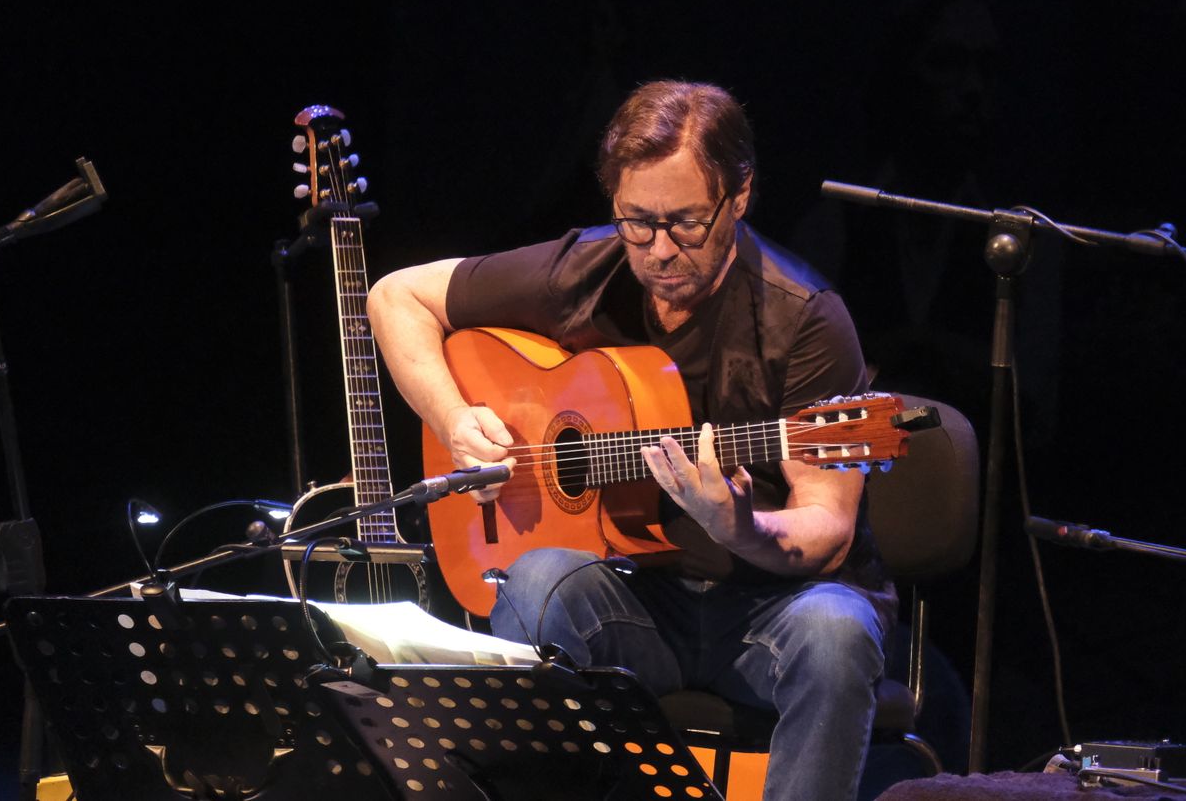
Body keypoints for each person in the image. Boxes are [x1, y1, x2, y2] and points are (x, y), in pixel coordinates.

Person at [367, 80, 892, 801]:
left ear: (739, 195)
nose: (660, 250)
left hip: (774, 608)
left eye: (687, 223)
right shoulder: (584, 271)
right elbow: (396, 296)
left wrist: (739, 526)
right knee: (535, 584)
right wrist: (455, 419)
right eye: (637, 223)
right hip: (639, 598)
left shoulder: (805, 319)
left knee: (838, 633)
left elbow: (827, 527)